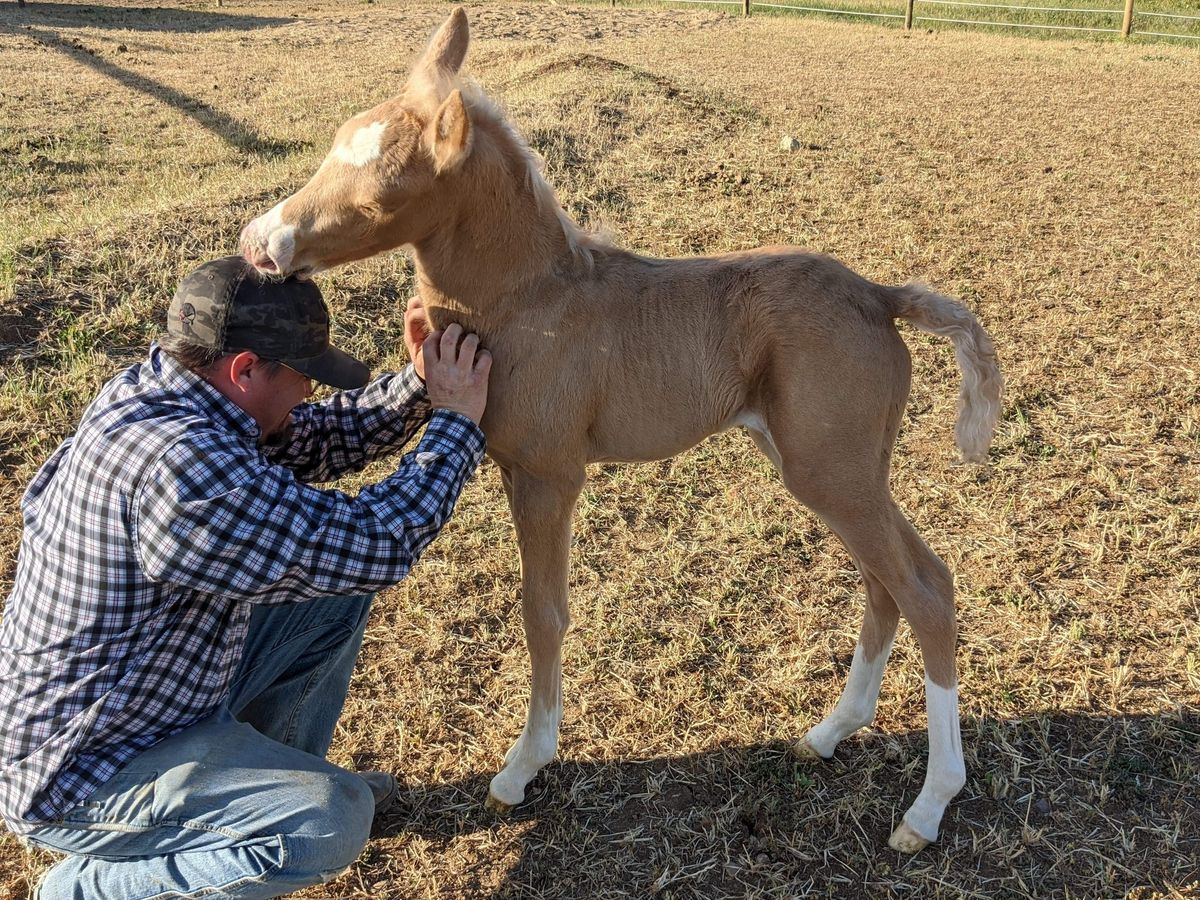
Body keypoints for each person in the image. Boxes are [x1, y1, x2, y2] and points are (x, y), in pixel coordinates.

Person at [0, 256, 492, 899]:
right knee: (327, 822)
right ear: (245, 369)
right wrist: (456, 424)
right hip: (86, 772)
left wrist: (421, 386)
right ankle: (85, 889)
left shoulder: (169, 391)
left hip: (137, 706)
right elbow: (376, 540)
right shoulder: (183, 472)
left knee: (329, 597)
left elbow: (312, 438)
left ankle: (269, 779)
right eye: (304, 375)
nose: (312, 391)